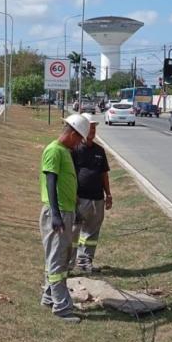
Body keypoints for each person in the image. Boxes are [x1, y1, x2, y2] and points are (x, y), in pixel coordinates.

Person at [39, 113, 90, 323]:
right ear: (71, 133)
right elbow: (51, 182)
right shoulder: (54, 150)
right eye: (78, 138)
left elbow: (67, 184)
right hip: (57, 212)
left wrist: (75, 210)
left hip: (66, 210)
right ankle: (62, 307)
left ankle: (49, 297)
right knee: (57, 260)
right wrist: (56, 215)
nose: (79, 143)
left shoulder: (65, 151)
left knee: (59, 256)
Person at [70, 113, 112, 273]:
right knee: (74, 232)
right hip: (79, 199)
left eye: (94, 127)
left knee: (92, 232)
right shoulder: (74, 150)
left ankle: (85, 261)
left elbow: (104, 174)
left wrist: (108, 194)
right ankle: (68, 264)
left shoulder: (99, 151)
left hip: (97, 199)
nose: (93, 130)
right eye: (90, 127)